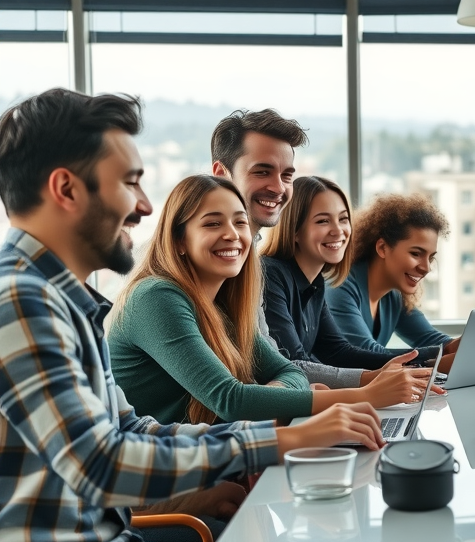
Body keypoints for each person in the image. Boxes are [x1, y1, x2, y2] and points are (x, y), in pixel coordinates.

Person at [0, 88, 383, 542]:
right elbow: (101, 465)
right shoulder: (21, 301)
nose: (143, 206)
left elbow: (133, 431)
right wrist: (278, 441)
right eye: (130, 184)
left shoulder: (67, 302)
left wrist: (269, 439)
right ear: (67, 189)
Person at [110, 174, 432, 425]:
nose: (233, 234)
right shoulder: (156, 297)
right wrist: (364, 396)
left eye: (239, 221)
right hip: (158, 489)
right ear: (179, 240)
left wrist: (278, 393)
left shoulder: (222, 304)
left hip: (213, 462)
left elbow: (290, 373)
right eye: (212, 223)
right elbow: (232, 400)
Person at [209, 109, 413, 382]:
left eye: (287, 175)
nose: (278, 188)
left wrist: (423, 362)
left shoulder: (255, 267)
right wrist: (367, 385)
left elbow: (284, 363)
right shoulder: (260, 272)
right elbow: (273, 372)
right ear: (222, 174)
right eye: (262, 171)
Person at [326, 192, 475, 371]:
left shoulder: (393, 296)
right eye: (416, 254)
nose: (426, 268)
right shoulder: (340, 287)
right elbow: (368, 355)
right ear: (382, 247)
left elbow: (433, 340)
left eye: (431, 257)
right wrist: (452, 359)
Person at [261, 175, 446, 393]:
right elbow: (295, 365)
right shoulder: (270, 274)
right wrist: (377, 379)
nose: (338, 231)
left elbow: (339, 352)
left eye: (343, 219)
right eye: (323, 221)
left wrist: (430, 355)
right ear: (295, 230)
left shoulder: (315, 283)